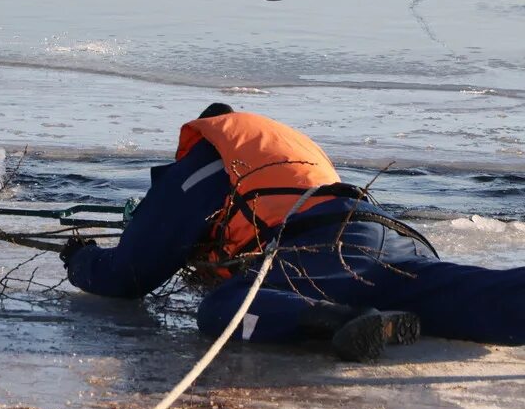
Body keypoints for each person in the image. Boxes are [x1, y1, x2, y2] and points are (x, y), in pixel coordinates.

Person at [61, 104, 525, 361]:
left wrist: (80, 259)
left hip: (321, 252)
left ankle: (337, 322)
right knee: (472, 295)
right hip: (387, 237)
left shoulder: (209, 160)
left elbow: (129, 275)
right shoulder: (286, 153)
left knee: (223, 308)